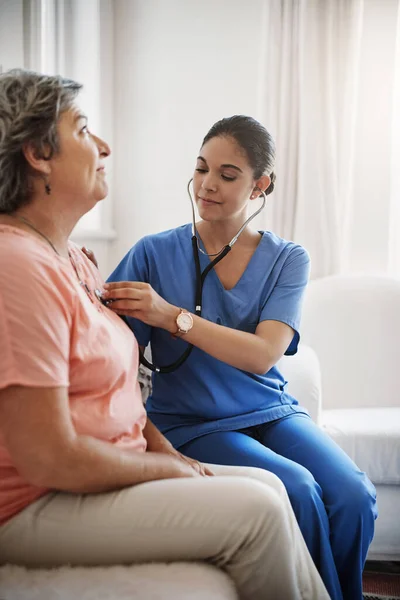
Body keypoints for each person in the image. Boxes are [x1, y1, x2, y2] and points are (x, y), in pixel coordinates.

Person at [0, 69, 330, 600]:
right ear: (38, 153)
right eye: (84, 129)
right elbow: (48, 455)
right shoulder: (18, 265)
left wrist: (166, 456)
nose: (104, 145)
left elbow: (124, 392)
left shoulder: (75, 263)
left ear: (259, 185)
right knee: (267, 502)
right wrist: (162, 466)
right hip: (37, 497)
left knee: (286, 487)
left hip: (243, 417)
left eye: (227, 174)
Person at [106, 115, 378, 600]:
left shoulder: (288, 259)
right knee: (297, 489)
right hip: (192, 422)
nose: (207, 185)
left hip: (270, 411)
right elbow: (109, 353)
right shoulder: (151, 254)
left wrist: (172, 317)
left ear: (260, 185)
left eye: (228, 175)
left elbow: (262, 354)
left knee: (354, 495)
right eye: (201, 168)